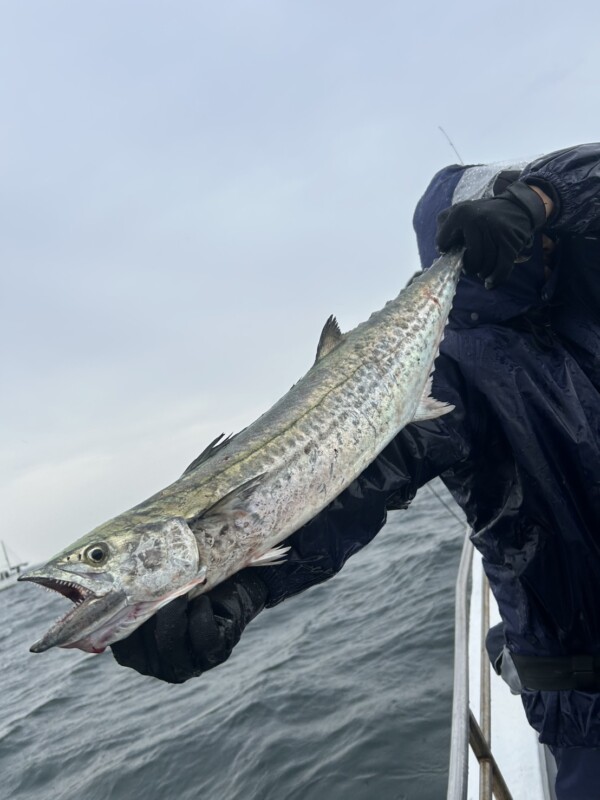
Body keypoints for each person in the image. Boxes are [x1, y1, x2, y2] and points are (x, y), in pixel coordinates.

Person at [112, 143, 600, 799]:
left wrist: (544, 196)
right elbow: (354, 476)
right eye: (510, 216)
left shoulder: (586, 288)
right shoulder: (443, 366)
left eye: (534, 216)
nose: (538, 240)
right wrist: (235, 592)